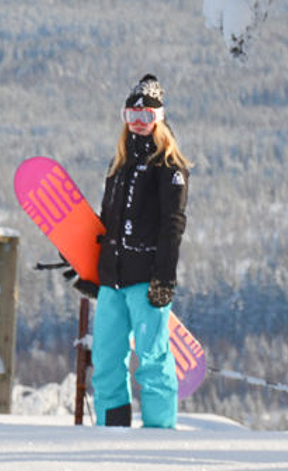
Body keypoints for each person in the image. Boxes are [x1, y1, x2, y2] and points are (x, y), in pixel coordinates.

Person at [87, 73, 190, 428]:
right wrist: (94, 271)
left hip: (146, 279)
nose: (138, 124)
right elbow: (106, 225)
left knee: (152, 359)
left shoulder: (168, 167)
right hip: (112, 280)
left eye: (146, 117)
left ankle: (159, 436)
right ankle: (109, 432)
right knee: (106, 359)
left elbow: (172, 224)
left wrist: (164, 276)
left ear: (159, 120)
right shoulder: (119, 166)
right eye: (132, 115)